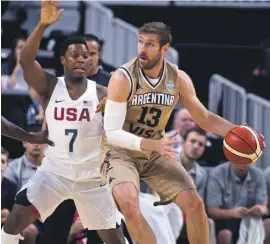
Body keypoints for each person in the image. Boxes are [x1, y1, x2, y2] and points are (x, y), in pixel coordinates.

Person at [101, 21, 265, 244]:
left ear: (164, 49)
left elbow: (204, 118)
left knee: (195, 204)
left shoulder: (178, 78)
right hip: (120, 152)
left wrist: (239, 131)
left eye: (149, 44)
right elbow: (112, 133)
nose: (142, 49)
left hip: (155, 151)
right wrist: (151, 145)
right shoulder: (122, 78)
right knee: (130, 207)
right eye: (140, 42)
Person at [1, 1, 126, 244]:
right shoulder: (50, 86)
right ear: (63, 60)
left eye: (86, 55)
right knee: (13, 223)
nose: (82, 59)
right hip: (54, 174)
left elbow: (123, 125)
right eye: (75, 55)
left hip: (91, 178)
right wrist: (42, 25)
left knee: (116, 239)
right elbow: (26, 62)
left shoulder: (102, 92)